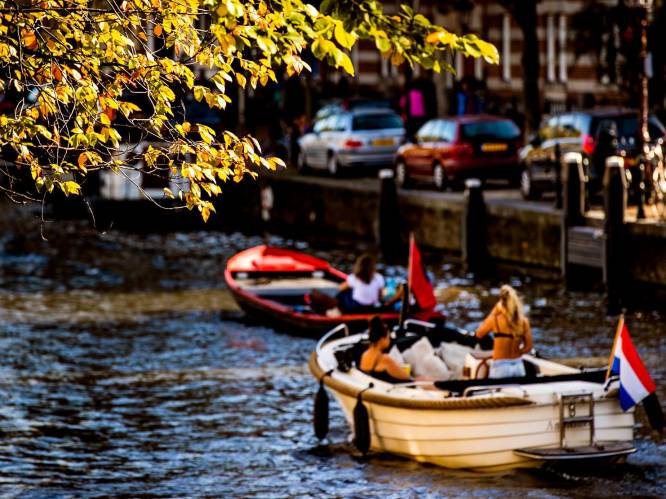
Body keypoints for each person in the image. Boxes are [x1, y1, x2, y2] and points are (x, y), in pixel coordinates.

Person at [475, 285, 533, 379]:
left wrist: (493, 312)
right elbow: (528, 347)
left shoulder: (495, 319)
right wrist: (517, 352)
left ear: (501, 302)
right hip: (518, 365)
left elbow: (479, 334)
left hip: (501, 367)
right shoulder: (523, 321)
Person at [359, 316, 413, 383]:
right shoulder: (384, 359)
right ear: (382, 339)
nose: (389, 341)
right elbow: (406, 378)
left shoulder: (364, 355)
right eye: (388, 337)